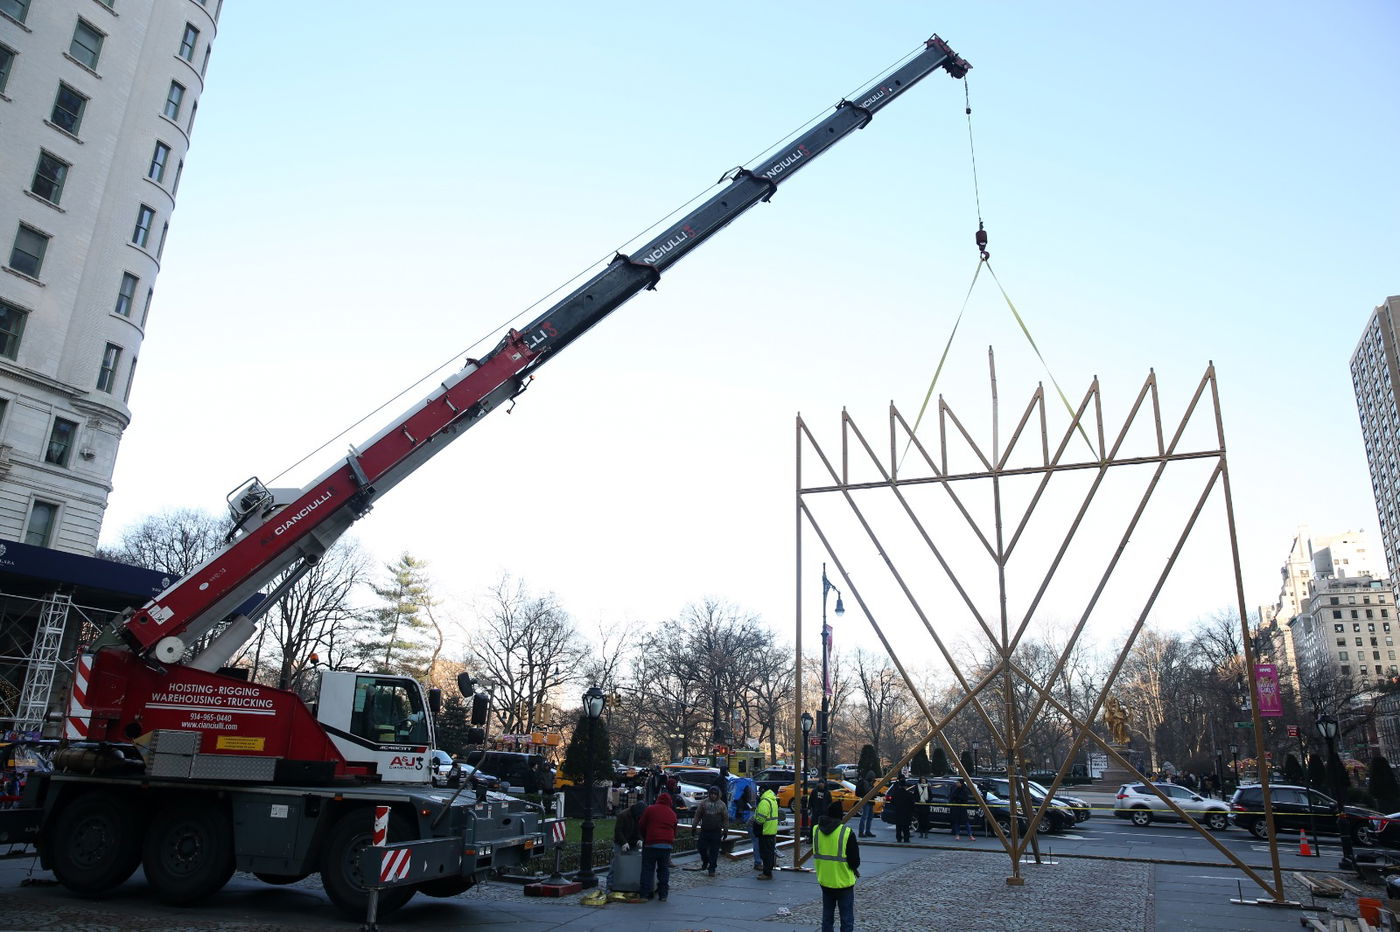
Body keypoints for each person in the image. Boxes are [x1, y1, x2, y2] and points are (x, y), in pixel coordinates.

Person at [813, 800, 860, 932]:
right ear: (840, 815)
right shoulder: (846, 832)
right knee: (846, 919)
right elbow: (855, 861)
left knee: (827, 917)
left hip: (825, 880)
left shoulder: (816, 830)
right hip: (843, 882)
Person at [638, 791, 678, 901]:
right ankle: (663, 894)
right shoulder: (672, 813)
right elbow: (674, 830)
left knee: (647, 869)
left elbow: (641, 824)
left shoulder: (650, 809)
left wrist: (645, 836)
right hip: (666, 845)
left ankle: (644, 894)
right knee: (663, 870)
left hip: (651, 843)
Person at [691, 786, 729, 876]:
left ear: (718, 795)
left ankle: (712, 868)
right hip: (705, 830)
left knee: (714, 851)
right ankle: (705, 860)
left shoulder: (722, 805)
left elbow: (725, 818)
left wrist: (726, 830)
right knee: (701, 848)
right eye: (711, 794)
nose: (713, 796)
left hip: (716, 831)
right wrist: (694, 827)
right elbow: (698, 815)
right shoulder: (704, 803)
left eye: (715, 794)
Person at [753, 786, 781, 879]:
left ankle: (767, 873)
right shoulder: (772, 800)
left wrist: (755, 822)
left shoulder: (764, 802)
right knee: (769, 853)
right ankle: (768, 871)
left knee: (765, 854)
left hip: (765, 831)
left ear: (762, 791)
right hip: (771, 830)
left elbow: (760, 819)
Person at [891, 778, 915, 843]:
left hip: (898, 812)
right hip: (907, 813)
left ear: (899, 786)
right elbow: (912, 804)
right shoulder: (909, 794)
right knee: (906, 826)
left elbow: (892, 802)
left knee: (898, 826)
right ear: (905, 786)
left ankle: (898, 838)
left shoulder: (895, 794)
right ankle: (906, 838)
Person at [856, 769, 878, 837]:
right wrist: (876, 793)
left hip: (869, 801)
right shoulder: (866, 783)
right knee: (865, 817)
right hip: (867, 801)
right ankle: (861, 832)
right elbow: (869, 791)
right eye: (873, 776)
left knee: (869, 817)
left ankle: (867, 831)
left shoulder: (868, 782)